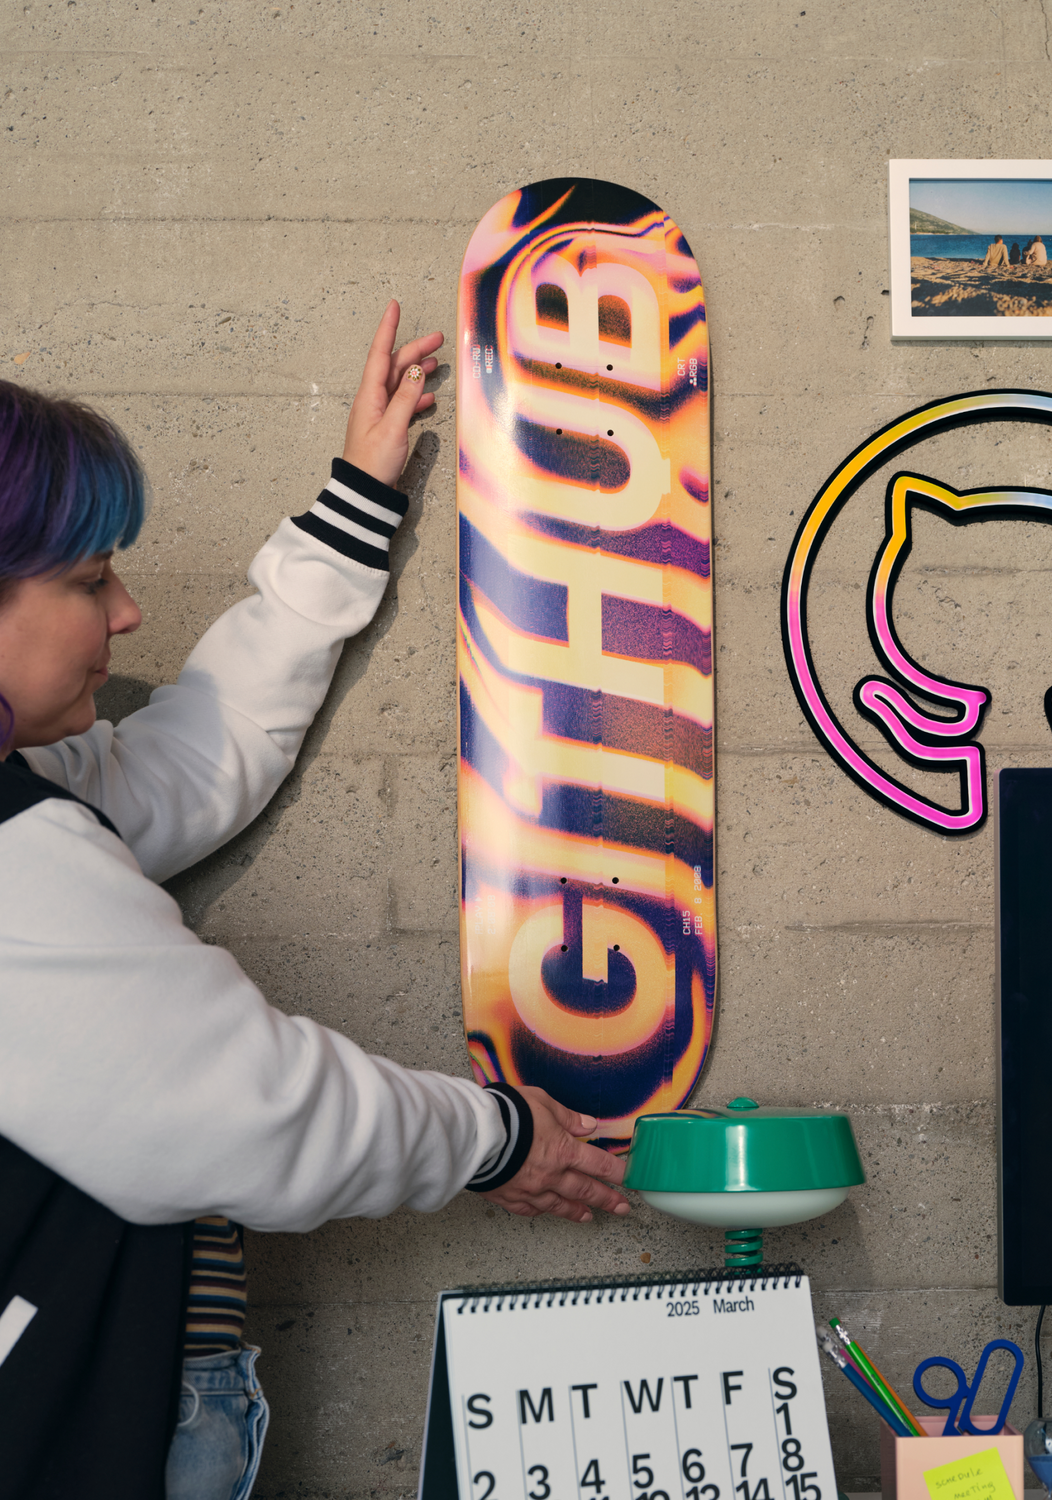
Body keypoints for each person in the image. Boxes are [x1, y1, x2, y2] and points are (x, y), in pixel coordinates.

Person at [0, 303, 628, 1500]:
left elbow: (186, 761)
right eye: (89, 579)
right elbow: (254, 1112)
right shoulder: (11, 863)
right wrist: (499, 1140)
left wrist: (355, 505)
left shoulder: (30, 800)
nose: (126, 613)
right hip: (69, 1427)